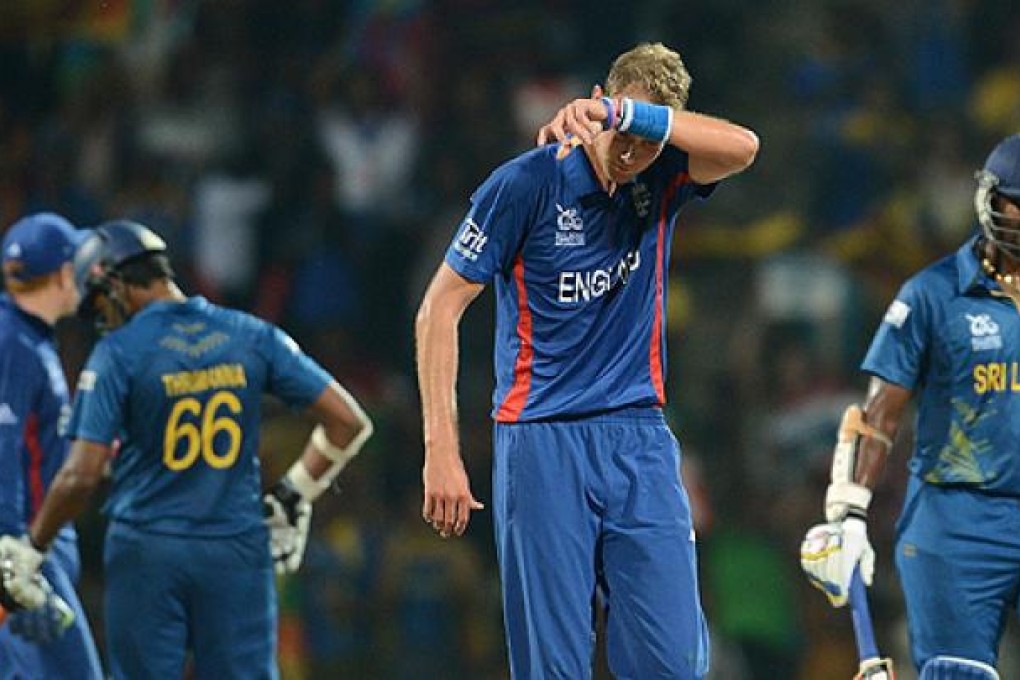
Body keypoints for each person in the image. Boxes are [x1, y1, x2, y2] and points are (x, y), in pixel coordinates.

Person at [415, 42, 758, 679]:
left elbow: (743, 147)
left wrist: (634, 121)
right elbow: (438, 309)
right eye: (620, 136)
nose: (630, 156)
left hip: (639, 437)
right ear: (598, 101)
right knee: (553, 665)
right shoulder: (526, 184)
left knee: (675, 661)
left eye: (646, 143)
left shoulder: (662, 175)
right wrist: (441, 448)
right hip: (541, 439)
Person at [0, 220, 373, 678]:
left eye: (98, 303)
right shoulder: (252, 334)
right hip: (236, 548)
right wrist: (294, 493)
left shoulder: (118, 353)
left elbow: (81, 474)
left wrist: (33, 547)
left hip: (146, 553)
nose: (101, 320)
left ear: (114, 283)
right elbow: (348, 422)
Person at [799, 134, 1020, 680]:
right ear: (992, 200)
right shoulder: (933, 293)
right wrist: (851, 510)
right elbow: (879, 413)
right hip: (956, 517)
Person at [0, 212, 104, 679]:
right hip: (25, 551)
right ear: (64, 273)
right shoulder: (13, 344)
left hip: (32, 547)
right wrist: (11, 561)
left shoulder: (26, 338)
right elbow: (2, 447)